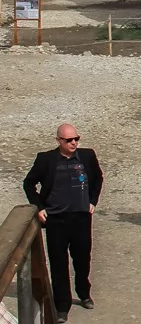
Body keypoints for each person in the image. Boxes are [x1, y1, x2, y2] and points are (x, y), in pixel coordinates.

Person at [23, 124, 103, 323]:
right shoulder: (46, 160)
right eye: (69, 140)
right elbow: (29, 183)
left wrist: (92, 201)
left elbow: (98, 178)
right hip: (56, 220)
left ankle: (84, 293)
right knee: (58, 264)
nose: (74, 142)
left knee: (83, 260)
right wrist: (39, 207)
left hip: (81, 219)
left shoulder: (87, 156)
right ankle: (62, 306)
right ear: (58, 141)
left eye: (76, 138)